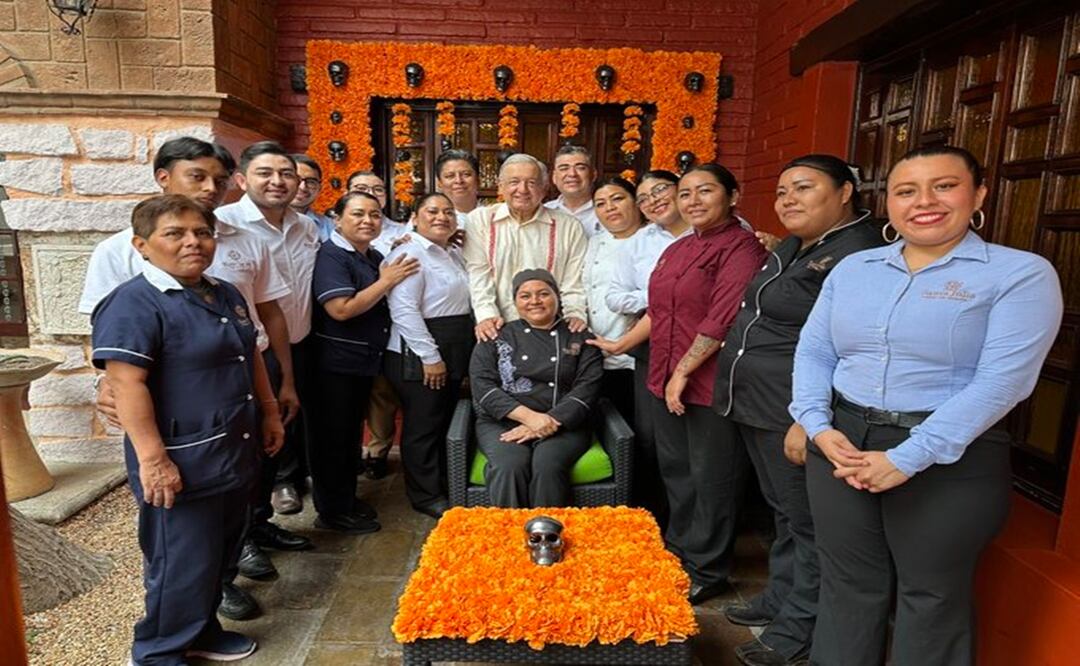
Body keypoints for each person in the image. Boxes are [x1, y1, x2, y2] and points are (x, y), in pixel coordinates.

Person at [790, 146, 1063, 665]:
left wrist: (907, 457)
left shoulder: (1019, 274)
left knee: (931, 597)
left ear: (978, 194)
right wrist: (816, 424)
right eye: (906, 190)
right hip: (841, 444)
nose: (924, 202)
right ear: (888, 203)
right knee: (847, 585)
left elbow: (1004, 382)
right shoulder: (854, 269)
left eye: (944, 186)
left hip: (949, 454)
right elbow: (816, 351)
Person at [78, 136, 289, 620]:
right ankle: (164, 645)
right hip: (179, 435)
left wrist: (271, 409)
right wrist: (150, 455)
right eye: (176, 234)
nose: (193, 242)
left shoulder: (225, 286)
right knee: (181, 549)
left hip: (232, 430)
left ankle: (205, 625)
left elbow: (251, 346)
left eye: (202, 233)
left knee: (222, 536)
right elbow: (118, 361)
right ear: (144, 245)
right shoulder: (128, 280)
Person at [713, 155, 883, 666]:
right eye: (783, 190)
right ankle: (779, 598)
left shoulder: (859, 254)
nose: (788, 199)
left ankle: (794, 633)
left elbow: (854, 347)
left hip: (795, 412)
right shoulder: (794, 245)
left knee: (807, 523)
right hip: (756, 404)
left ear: (845, 192)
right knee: (783, 513)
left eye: (803, 188)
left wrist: (807, 420)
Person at [589, 164, 767, 605]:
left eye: (705, 191)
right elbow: (659, 311)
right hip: (663, 374)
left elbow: (721, 318)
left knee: (713, 476)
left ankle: (709, 569)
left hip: (708, 382)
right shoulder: (678, 248)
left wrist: (684, 372)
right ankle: (680, 550)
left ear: (733, 194)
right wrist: (622, 345)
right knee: (676, 470)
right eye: (686, 193)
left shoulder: (742, 248)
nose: (693, 201)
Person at [215, 142, 317, 576]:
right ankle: (236, 545)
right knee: (244, 450)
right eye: (264, 173)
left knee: (275, 440)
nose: (277, 181)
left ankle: (260, 524)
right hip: (243, 356)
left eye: (285, 174)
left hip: (294, 346)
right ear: (242, 179)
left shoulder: (306, 226)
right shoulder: (226, 228)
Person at [309, 191, 419, 533]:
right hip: (335, 364)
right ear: (337, 219)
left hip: (360, 362)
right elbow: (340, 309)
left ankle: (345, 500)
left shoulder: (369, 255)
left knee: (349, 435)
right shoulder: (331, 256)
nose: (367, 221)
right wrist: (386, 283)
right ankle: (331, 511)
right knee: (333, 438)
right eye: (358, 214)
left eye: (374, 215)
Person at [469, 269, 603, 507]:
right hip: (503, 421)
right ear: (515, 302)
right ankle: (509, 535)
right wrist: (531, 419)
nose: (535, 301)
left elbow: (587, 388)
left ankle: (546, 535)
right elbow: (483, 387)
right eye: (525, 296)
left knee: (548, 463)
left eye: (543, 294)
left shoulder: (580, 337)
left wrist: (551, 420)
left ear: (557, 297)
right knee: (509, 465)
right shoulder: (496, 336)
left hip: (565, 422)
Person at [383, 193, 474, 519]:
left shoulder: (452, 252)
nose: (442, 217)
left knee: (442, 420)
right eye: (432, 211)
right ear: (415, 218)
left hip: (452, 344)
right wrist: (430, 357)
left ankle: (443, 484)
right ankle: (425, 495)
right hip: (419, 350)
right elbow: (404, 310)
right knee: (423, 425)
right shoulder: (410, 253)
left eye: (448, 212)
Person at [605, 169, 688, 526]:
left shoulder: (723, 233)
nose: (653, 200)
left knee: (695, 440)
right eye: (644, 197)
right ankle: (657, 519)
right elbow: (614, 295)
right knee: (652, 438)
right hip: (651, 344)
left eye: (661, 190)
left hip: (705, 347)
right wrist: (665, 296)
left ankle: (694, 524)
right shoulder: (639, 241)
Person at [463, 153, 589, 343]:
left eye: (531, 183)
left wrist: (575, 314)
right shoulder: (479, 219)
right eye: (514, 182)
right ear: (501, 185)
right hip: (496, 327)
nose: (522, 190)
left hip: (551, 329)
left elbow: (573, 282)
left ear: (544, 188)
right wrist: (486, 315)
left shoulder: (568, 226)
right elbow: (479, 273)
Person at [345, 169, 408, 478]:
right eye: (361, 189)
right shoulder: (338, 233)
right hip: (352, 328)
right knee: (352, 397)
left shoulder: (404, 229)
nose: (371, 194)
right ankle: (350, 456)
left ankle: (377, 453)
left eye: (378, 189)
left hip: (390, 323)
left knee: (382, 393)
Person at [585, 176, 642, 425]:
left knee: (635, 427)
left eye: (618, 198)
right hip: (594, 348)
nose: (610, 207)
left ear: (636, 202)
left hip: (635, 352)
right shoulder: (593, 243)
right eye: (600, 203)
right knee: (602, 425)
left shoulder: (654, 240)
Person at [545, 144, 602, 237]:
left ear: (593, 175)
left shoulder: (608, 211)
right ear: (554, 177)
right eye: (564, 168)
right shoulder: (544, 212)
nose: (572, 174)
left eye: (580, 168)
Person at [291, 154, 335, 241]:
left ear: (319, 188)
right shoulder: (264, 222)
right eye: (296, 179)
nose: (302, 187)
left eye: (311, 182)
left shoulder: (329, 226)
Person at [435, 149, 480, 223]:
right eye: (450, 176)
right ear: (439, 183)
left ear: (478, 180)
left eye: (466, 174)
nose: (459, 181)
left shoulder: (492, 216)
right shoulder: (428, 220)